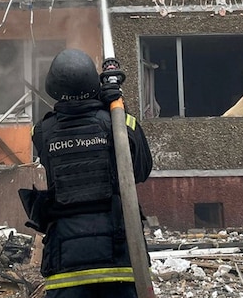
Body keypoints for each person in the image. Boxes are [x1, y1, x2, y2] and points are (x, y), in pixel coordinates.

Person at [21, 48, 153, 298]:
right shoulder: (117, 124)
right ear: (95, 83)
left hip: (65, 264)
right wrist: (117, 108)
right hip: (119, 258)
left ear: (52, 87)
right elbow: (141, 169)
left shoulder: (41, 132)